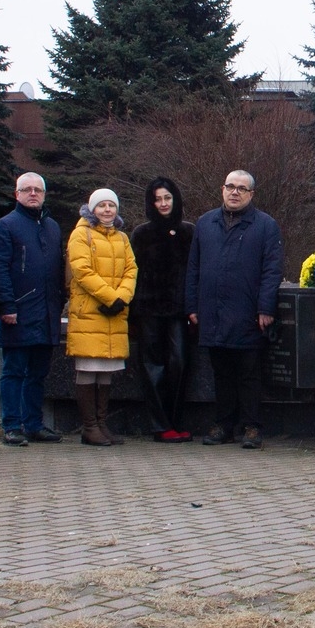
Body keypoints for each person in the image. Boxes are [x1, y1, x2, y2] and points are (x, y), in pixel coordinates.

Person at [186, 169, 284, 449]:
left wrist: (266, 307)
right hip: (213, 312)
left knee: (249, 373)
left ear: (251, 195)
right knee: (221, 373)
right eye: (231, 186)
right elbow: (193, 268)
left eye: (242, 188)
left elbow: (272, 270)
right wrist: (192, 305)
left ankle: (251, 427)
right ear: (222, 189)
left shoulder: (265, 226)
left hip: (248, 314)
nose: (235, 192)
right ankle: (223, 425)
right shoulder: (205, 223)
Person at [0, 173, 68, 446]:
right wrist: (7, 305)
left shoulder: (53, 227)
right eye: (27, 190)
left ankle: (33, 423)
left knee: (38, 371)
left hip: (47, 312)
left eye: (38, 190)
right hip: (19, 311)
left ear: (45, 194)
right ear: (17, 194)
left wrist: (59, 303)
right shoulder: (5, 226)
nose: (32, 194)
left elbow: (59, 270)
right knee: (14, 371)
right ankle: (12, 425)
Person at [67, 187, 138, 447]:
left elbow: (131, 269)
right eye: (102, 205)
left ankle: (100, 423)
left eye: (111, 205)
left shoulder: (122, 237)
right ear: (92, 209)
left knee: (106, 370)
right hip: (91, 313)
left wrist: (122, 297)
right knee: (88, 369)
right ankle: (89, 427)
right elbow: (82, 270)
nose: (107, 210)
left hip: (114, 314)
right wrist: (111, 297)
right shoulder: (80, 234)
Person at [132, 178, 196, 443]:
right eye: (157, 199)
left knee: (179, 363)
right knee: (152, 367)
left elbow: (195, 272)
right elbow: (132, 272)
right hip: (148, 310)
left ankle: (175, 421)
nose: (163, 204)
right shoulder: (141, 234)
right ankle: (160, 426)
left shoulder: (189, 232)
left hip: (179, 311)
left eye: (167, 198)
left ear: (175, 199)